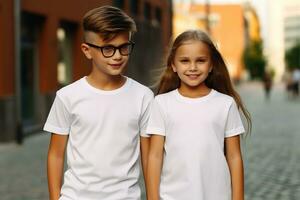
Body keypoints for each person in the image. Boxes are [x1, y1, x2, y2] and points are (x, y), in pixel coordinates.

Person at [44, 6, 153, 200]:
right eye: (108, 48)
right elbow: (56, 154)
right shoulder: (67, 96)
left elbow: (149, 157)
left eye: (124, 47)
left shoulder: (143, 96)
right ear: (87, 50)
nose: (118, 56)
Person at [146, 30, 252, 200]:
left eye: (201, 61)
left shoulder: (225, 104)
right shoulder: (161, 103)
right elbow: (155, 156)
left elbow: (234, 157)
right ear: (173, 65)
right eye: (184, 61)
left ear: (211, 65)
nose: (193, 67)